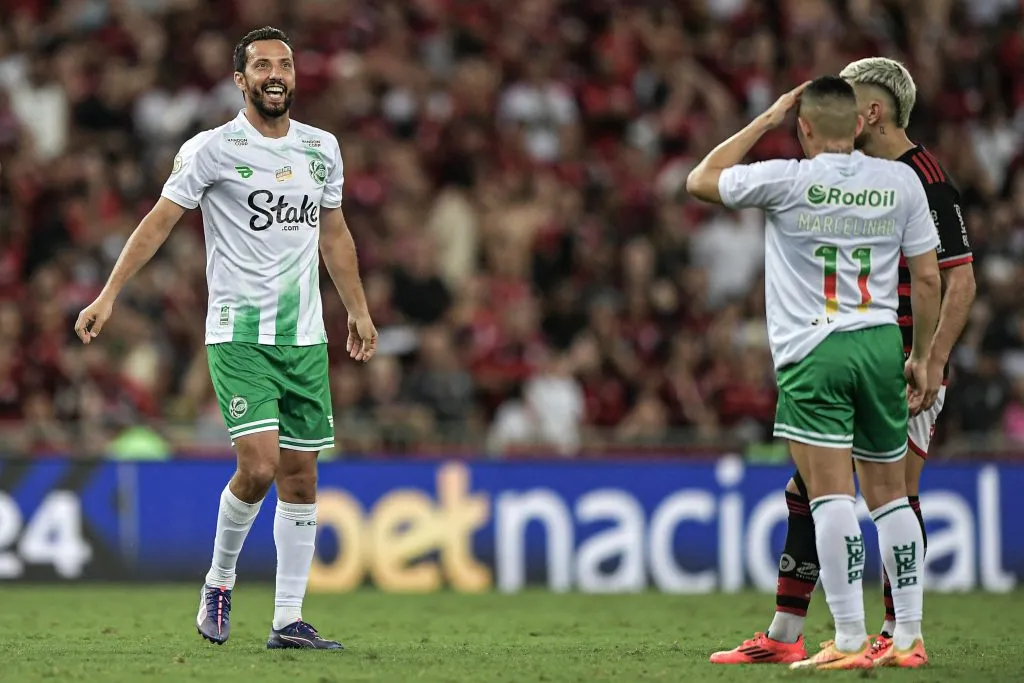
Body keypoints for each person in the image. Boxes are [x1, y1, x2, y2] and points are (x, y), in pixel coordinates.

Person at [74, 26, 376, 650]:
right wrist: (109, 293)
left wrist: (358, 311)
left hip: (304, 339)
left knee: (300, 478)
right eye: (262, 65)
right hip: (238, 336)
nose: (275, 74)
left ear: (295, 77)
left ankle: (288, 621)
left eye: (285, 64)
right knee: (259, 466)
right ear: (240, 80)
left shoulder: (322, 149)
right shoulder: (211, 149)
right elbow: (158, 223)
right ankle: (219, 579)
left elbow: (336, 236)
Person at [710, 58, 975, 668]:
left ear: (870, 114)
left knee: (888, 495)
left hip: (897, 362)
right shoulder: (875, 177)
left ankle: (892, 634)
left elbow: (957, 282)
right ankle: (786, 630)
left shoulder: (922, 177)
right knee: (807, 488)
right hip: (876, 352)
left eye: (848, 100)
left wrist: (930, 362)